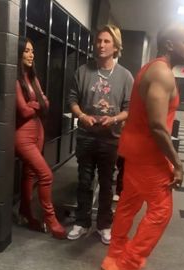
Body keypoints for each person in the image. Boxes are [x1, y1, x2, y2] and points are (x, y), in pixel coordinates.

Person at [102, 23, 184, 270]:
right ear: (169, 45)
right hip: (149, 157)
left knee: (129, 204)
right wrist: (177, 163)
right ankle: (128, 267)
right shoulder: (162, 74)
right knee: (161, 212)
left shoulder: (149, 68)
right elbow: (157, 125)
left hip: (135, 153)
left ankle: (115, 255)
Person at [67, 25, 134, 244]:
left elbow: (129, 109)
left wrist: (114, 119)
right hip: (86, 136)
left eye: (106, 41)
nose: (101, 45)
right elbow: (73, 100)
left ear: (116, 46)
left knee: (107, 183)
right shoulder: (83, 71)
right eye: (99, 41)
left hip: (110, 139)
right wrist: (82, 115)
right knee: (84, 181)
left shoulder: (125, 76)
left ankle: (104, 224)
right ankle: (82, 222)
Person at [15, 37, 66, 239]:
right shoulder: (16, 79)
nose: (31, 54)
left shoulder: (33, 78)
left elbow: (46, 103)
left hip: (38, 132)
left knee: (30, 175)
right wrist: (38, 104)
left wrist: (36, 104)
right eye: (27, 51)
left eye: (32, 51)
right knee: (46, 175)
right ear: (19, 53)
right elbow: (24, 111)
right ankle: (51, 219)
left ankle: (25, 212)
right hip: (23, 135)